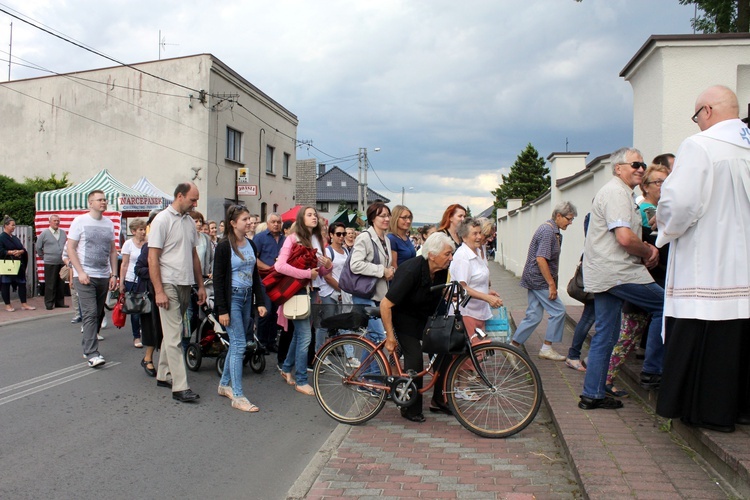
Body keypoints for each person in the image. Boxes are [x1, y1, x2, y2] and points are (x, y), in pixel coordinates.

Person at [655, 85, 750, 433]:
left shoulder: (701, 146)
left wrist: (665, 228)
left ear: (707, 111)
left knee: (706, 333)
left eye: (697, 116)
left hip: (710, 263)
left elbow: (679, 204)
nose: (697, 123)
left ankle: (707, 410)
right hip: (745, 270)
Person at [579, 147, 663, 411]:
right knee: (667, 305)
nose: (640, 168)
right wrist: (649, 250)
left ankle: (592, 394)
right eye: (635, 164)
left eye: (643, 164)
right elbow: (625, 239)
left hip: (607, 272)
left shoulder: (622, 192)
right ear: (618, 168)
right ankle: (652, 370)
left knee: (606, 333)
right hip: (617, 272)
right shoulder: (616, 192)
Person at [605, 163, 670, 398]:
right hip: (642, 280)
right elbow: (631, 241)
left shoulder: (661, 209)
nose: (663, 186)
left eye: (667, 181)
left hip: (651, 280)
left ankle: (603, 378)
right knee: (625, 337)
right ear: (646, 187)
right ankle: (606, 377)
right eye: (658, 182)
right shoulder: (645, 211)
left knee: (625, 337)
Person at [380, 232, 455, 422]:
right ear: (432, 254)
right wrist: (390, 337)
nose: (451, 258)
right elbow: (385, 305)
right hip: (403, 320)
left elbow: (433, 293)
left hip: (424, 318)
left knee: (446, 351)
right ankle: (410, 408)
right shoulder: (410, 271)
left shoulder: (441, 270)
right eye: (447, 254)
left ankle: (439, 400)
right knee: (415, 361)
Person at [148, 182, 206, 403]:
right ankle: (180, 387)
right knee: (175, 337)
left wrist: (200, 285)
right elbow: (153, 257)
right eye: (192, 199)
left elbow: (193, 256)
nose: (195, 203)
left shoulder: (190, 222)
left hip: (185, 283)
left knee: (172, 332)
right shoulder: (162, 220)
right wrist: (159, 290)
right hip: (169, 283)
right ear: (180, 196)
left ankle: (163, 374)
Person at [214, 205, 267, 412]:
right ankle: (237, 395)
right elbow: (218, 280)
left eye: (249, 219)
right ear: (233, 223)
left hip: (246, 298)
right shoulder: (224, 246)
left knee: (237, 344)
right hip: (232, 299)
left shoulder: (251, 245)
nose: (249, 222)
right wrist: (222, 310)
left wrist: (260, 302)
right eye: (245, 219)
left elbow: (255, 276)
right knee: (238, 344)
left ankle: (224, 384)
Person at [276, 206, 332, 396]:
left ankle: (286, 368)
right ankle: (301, 380)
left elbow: (321, 273)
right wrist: (306, 273)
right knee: (305, 336)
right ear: (301, 219)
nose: (314, 217)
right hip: (297, 291)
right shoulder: (292, 239)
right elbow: (279, 266)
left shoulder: (317, 240)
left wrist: (327, 266)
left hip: (311, 292)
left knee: (299, 335)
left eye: (315, 214)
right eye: (309, 215)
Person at [510, 202, 577, 361]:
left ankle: (512, 347)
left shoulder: (553, 231)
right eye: (569, 218)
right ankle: (546, 348)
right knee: (558, 310)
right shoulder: (548, 231)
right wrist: (551, 284)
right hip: (538, 279)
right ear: (558, 216)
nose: (570, 222)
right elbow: (541, 259)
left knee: (534, 315)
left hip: (534, 277)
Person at [66, 191, 118, 367]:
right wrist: (79, 272)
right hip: (85, 275)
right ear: (90, 203)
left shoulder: (109, 224)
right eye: (100, 200)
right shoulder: (80, 221)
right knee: (90, 313)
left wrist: (114, 274)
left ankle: (87, 346)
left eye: (105, 199)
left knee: (99, 313)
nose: (103, 202)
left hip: (103, 275)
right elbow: (71, 248)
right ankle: (92, 353)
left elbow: (113, 251)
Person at [350, 202, 395, 377]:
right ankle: (376, 381)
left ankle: (363, 377)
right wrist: (381, 271)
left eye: (387, 215)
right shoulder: (365, 237)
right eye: (381, 215)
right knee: (380, 337)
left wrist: (389, 271)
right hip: (364, 294)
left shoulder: (387, 239)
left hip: (380, 295)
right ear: (372, 218)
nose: (386, 219)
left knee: (371, 340)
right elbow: (355, 264)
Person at [315, 222, 359, 367]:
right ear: (331, 235)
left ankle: (350, 356)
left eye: (343, 234)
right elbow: (326, 276)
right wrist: (341, 289)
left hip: (343, 291)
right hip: (329, 291)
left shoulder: (346, 251)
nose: (342, 237)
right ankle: (319, 353)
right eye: (338, 234)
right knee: (324, 324)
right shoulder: (327, 252)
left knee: (344, 323)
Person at [133, 209, 164, 377]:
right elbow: (138, 269)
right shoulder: (148, 246)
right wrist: (156, 272)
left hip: (166, 289)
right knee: (153, 328)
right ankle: (148, 358)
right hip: (150, 293)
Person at [253, 212, 285, 351]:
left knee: (275, 313)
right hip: (265, 280)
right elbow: (254, 258)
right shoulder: (260, 238)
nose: (276, 224)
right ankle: (261, 342)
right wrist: (270, 269)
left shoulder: (285, 239)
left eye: (278, 222)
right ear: (268, 223)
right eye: (273, 222)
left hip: (280, 282)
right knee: (265, 311)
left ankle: (271, 342)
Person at [119, 218, 147, 348]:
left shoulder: (149, 243)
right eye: (140, 229)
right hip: (132, 279)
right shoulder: (128, 244)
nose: (143, 232)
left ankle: (146, 332)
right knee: (135, 310)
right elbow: (124, 264)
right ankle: (136, 336)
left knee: (146, 308)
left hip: (146, 280)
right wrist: (121, 282)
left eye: (144, 229)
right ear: (133, 231)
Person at [1, 216, 35, 312]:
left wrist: (20, 251)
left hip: (18, 264)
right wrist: (11, 252)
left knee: (22, 283)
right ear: (6, 226)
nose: (14, 227)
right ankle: (8, 304)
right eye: (12, 225)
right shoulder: (1, 238)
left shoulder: (15, 238)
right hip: (7, 264)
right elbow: (1, 251)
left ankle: (24, 304)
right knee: (5, 284)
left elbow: (22, 248)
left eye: (14, 225)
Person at [36, 214, 68, 310]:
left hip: (61, 261)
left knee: (60, 283)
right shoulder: (44, 233)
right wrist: (43, 256)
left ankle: (59, 302)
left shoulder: (63, 233)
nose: (56, 222)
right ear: (49, 222)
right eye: (54, 220)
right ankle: (49, 303)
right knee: (50, 284)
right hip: (50, 261)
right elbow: (38, 247)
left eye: (58, 220)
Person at [387, 205, 416, 269]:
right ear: (395, 218)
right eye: (404, 218)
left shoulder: (406, 238)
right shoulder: (392, 239)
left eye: (409, 217)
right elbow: (394, 267)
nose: (408, 221)